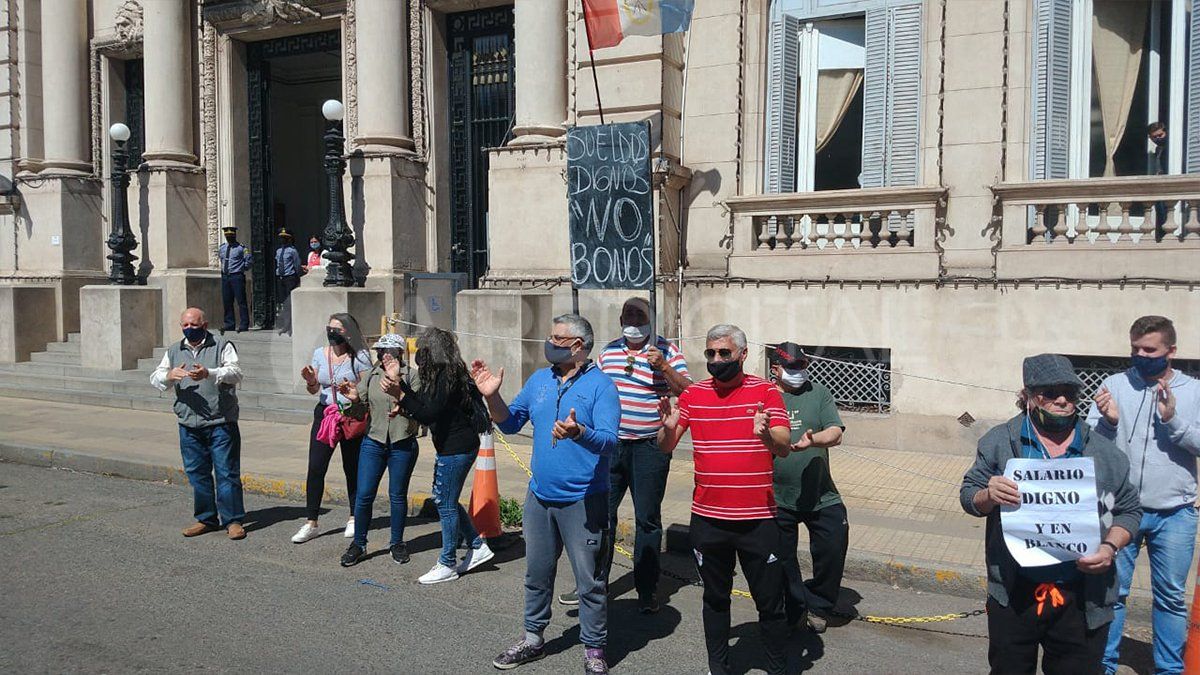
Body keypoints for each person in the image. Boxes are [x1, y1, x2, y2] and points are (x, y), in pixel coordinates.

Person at [962, 354, 1141, 675]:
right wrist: (988, 495)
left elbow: (1129, 510)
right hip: (1015, 593)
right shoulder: (1000, 443)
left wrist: (1110, 547)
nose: (1061, 400)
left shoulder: (1103, 452)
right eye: (1050, 392)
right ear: (1028, 396)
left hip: (1083, 596)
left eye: (1069, 393)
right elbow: (968, 496)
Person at [473, 314, 620, 675]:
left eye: (558, 338)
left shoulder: (602, 386)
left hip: (584, 501)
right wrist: (492, 398)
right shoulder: (540, 380)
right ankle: (533, 638)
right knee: (537, 574)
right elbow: (510, 423)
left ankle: (594, 650)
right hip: (539, 497)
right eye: (550, 337)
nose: (550, 343)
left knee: (590, 582)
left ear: (579, 346)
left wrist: (579, 432)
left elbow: (610, 442)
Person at [658, 324, 793, 675]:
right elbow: (666, 445)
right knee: (715, 599)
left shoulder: (767, 393)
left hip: (758, 521)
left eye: (724, 353)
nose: (716, 360)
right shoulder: (693, 395)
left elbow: (783, 447)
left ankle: (777, 668)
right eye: (710, 354)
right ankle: (718, 667)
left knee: (769, 603)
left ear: (743, 355)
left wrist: (765, 435)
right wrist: (667, 428)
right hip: (708, 520)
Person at [1089, 316, 1200, 675]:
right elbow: (1091, 448)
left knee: (1170, 598)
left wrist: (1173, 421)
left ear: (1171, 351)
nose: (1140, 355)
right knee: (1113, 594)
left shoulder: (1194, 391)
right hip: (1122, 511)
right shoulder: (1114, 384)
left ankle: (1168, 669)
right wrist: (1108, 421)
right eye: (1135, 348)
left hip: (1176, 513)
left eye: (1149, 349)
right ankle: (1104, 664)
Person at [568, 296, 689, 613]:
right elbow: (595, 390)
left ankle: (647, 591)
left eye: (640, 314)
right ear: (620, 320)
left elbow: (688, 392)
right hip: (611, 446)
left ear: (651, 318)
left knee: (647, 519)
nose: (633, 319)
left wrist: (661, 365)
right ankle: (595, 583)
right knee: (600, 516)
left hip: (650, 445)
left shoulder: (668, 351)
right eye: (628, 314)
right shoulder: (608, 352)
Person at [385, 327, 494, 584]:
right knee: (447, 499)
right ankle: (477, 546)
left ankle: (447, 562)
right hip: (452, 446)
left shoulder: (447, 376)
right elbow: (422, 404)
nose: (418, 354)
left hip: (456, 448)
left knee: (444, 503)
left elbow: (428, 414)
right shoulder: (441, 374)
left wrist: (399, 393)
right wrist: (401, 392)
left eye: (423, 348)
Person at [767, 342, 847, 634]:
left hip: (821, 494)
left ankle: (819, 603)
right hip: (777, 497)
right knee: (782, 559)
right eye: (792, 366)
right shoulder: (763, 396)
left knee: (833, 546)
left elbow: (836, 432)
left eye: (802, 365)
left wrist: (813, 441)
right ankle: (794, 606)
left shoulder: (819, 393)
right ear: (775, 369)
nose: (799, 371)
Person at [150, 307, 247, 540]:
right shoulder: (174, 350)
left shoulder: (222, 345)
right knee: (197, 474)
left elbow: (236, 373)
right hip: (188, 424)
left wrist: (209, 374)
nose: (189, 329)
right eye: (185, 325)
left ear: (204, 325)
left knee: (226, 473)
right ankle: (206, 518)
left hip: (220, 421)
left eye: (194, 325)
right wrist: (168, 376)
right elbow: (156, 378)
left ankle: (233, 520)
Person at [337, 333, 420, 567]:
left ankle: (396, 542)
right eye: (380, 352)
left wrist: (400, 395)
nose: (384, 357)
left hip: (401, 442)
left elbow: (418, 408)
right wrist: (353, 399)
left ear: (400, 354)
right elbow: (359, 408)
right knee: (364, 495)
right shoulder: (372, 376)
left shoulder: (412, 376)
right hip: (373, 441)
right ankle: (359, 543)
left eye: (389, 352)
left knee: (397, 495)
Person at [291, 313, 372, 544]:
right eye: (329, 328)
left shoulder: (361, 356)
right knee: (316, 466)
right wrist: (310, 381)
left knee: (352, 467)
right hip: (326, 414)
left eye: (337, 329)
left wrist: (354, 393)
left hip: (351, 415)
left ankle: (354, 516)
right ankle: (311, 522)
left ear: (348, 332)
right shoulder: (320, 353)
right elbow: (314, 389)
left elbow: (367, 388)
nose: (332, 333)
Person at [218, 225, 251, 334]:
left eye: (231, 236)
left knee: (241, 301)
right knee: (227, 301)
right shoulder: (222, 248)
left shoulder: (241, 248)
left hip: (237, 276)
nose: (229, 238)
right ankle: (229, 323)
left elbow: (248, 261)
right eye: (227, 236)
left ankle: (244, 324)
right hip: (225, 277)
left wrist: (241, 269)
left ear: (235, 235)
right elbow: (221, 260)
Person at [274, 228, 302, 335]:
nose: (282, 240)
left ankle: (291, 326)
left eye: (284, 238)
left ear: (289, 239)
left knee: (290, 303)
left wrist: (296, 276)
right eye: (281, 238)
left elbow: (297, 265)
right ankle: (285, 325)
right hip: (280, 278)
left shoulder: (292, 251)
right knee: (283, 303)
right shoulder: (278, 251)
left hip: (290, 278)